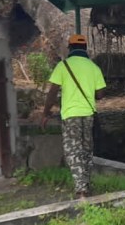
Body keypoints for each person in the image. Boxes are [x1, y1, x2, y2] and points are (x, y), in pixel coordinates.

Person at [41, 34, 106, 198]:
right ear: (85, 49)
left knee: (73, 150)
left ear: (70, 48)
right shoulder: (94, 68)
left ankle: (81, 190)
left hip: (70, 115)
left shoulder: (63, 66)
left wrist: (46, 113)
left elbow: (52, 93)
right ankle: (85, 184)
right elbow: (100, 94)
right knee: (86, 150)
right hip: (88, 114)